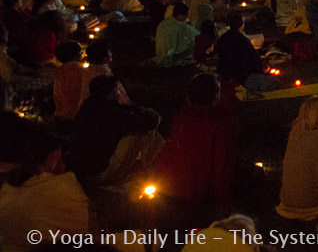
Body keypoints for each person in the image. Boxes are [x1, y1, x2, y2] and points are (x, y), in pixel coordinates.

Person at [0, 121, 93, 252]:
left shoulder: (7, 190)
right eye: (61, 157)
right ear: (55, 156)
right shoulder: (61, 188)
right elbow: (88, 241)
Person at [153, 73, 238, 219]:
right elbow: (222, 163)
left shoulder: (182, 116)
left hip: (168, 188)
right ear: (215, 94)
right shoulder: (220, 123)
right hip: (196, 191)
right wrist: (222, 200)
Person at [66, 75, 163, 185]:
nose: (119, 93)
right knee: (142, 132)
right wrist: (148, 113)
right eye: (117, 89)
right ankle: (160, 163)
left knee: (138, 127)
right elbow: (151, 121)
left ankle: (159, 160)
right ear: (111, 94)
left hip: (82, 166)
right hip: (97, 171)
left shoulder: (89, 107)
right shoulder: (110, 116)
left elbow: (127, 110)